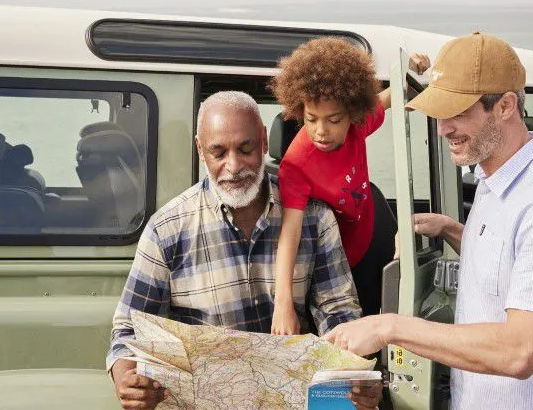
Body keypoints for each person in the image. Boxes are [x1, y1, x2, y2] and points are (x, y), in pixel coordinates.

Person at [324, 32, 533, 410]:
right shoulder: (495, 182)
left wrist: (387, 327)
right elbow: (505, 266)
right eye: (439, 114)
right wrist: (454, 230)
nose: (442, 129)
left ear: (505, 106)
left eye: (457, 112)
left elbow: (519, 352)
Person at [107, 90, 382, 410]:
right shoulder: (166, 230)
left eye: (246, 148)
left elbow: (338, 311)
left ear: (264, 141)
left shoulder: (314, 219)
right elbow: (129, 328)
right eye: (218, 152)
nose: (233, 166)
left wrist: (352, 373)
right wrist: (127, 379)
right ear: (200, 149)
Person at [270, 38, 430, 334]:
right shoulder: (296, 166)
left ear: (352, 115)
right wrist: (283, 304)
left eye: (334, 120)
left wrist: (412, 70)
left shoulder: (360, 124)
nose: (321, 131)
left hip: (371, 238)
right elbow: (289, 234)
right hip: (337, 264)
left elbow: (395, 92)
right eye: (311, 119)